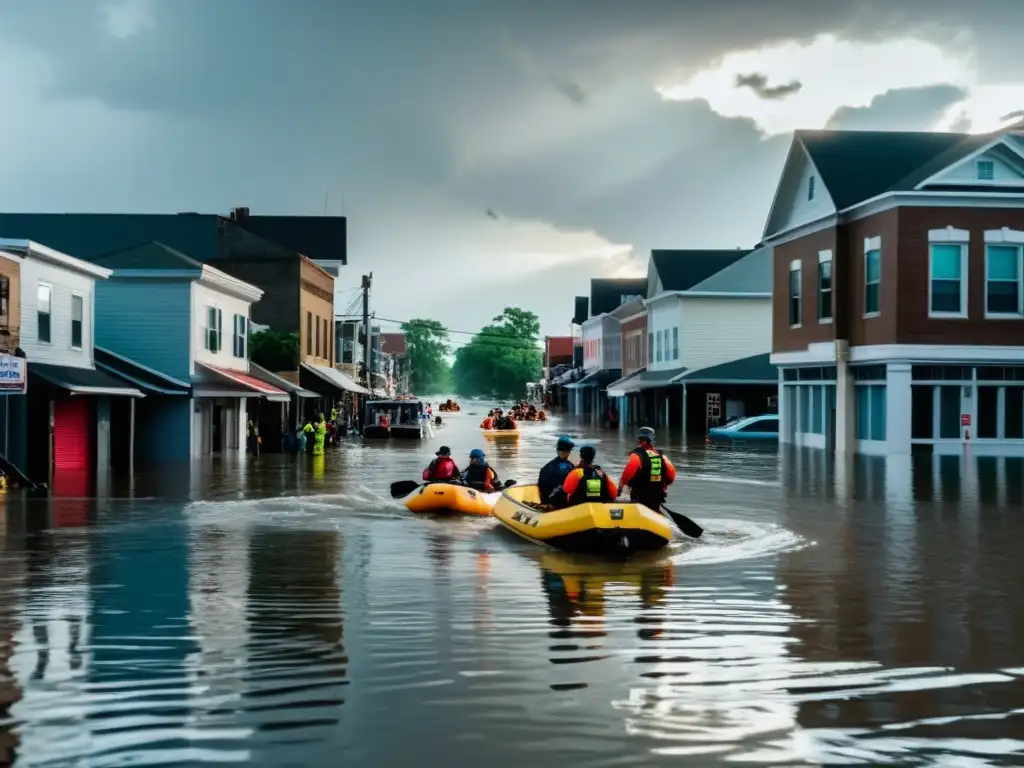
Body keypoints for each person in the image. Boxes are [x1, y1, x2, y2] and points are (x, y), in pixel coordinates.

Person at [618, 426, 676, 511]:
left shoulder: (637, 456)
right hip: (657, 497)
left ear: (640, 440)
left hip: (641, 498)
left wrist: (620, 487)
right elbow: (671, 477)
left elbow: (627, 475)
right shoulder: (661, 457)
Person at [537, 435, 576, 504]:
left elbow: (541, 490)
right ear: (569, 451)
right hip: (565, 505)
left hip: (548, 503)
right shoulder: (572, 468)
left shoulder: (546, 468)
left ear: (557, 450)